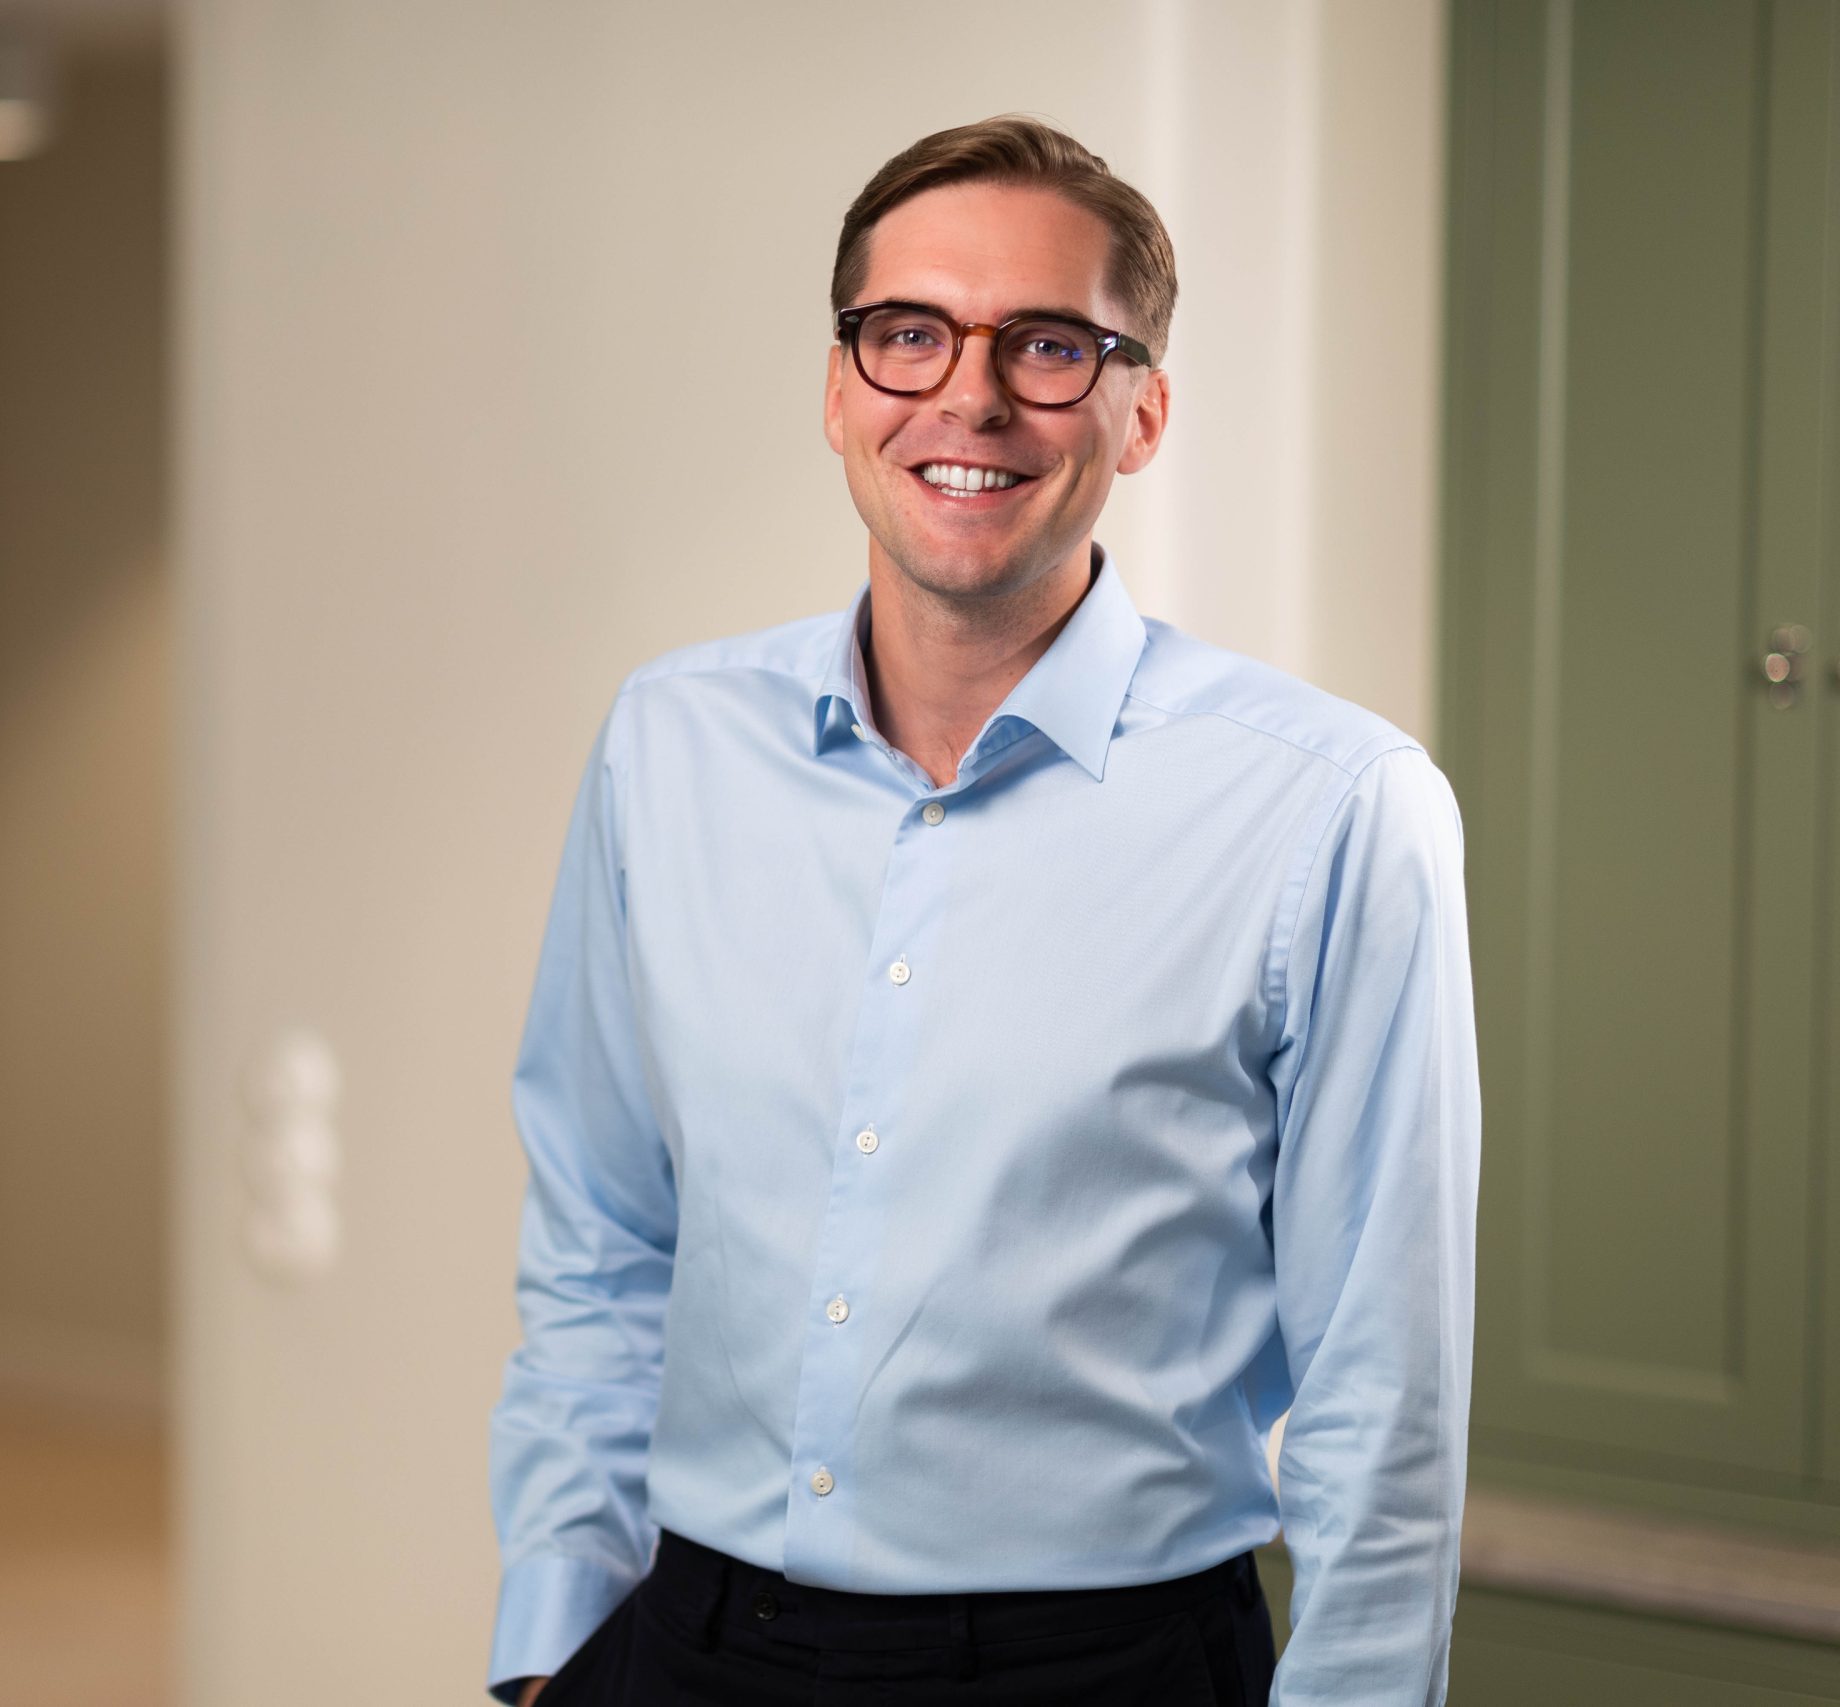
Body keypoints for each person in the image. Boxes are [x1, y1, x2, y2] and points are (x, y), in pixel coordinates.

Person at [486, 114, 1480, 1707]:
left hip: (1102, 1665)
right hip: (685, 1642)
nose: (969, 394)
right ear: (837, 388)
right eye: (908, 334)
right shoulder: (666, 744)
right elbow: (604, 1234)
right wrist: (553, 1637)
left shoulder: (1335, 810)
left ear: (1143, 411)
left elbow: (1386, 1398)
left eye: (1048, 345)